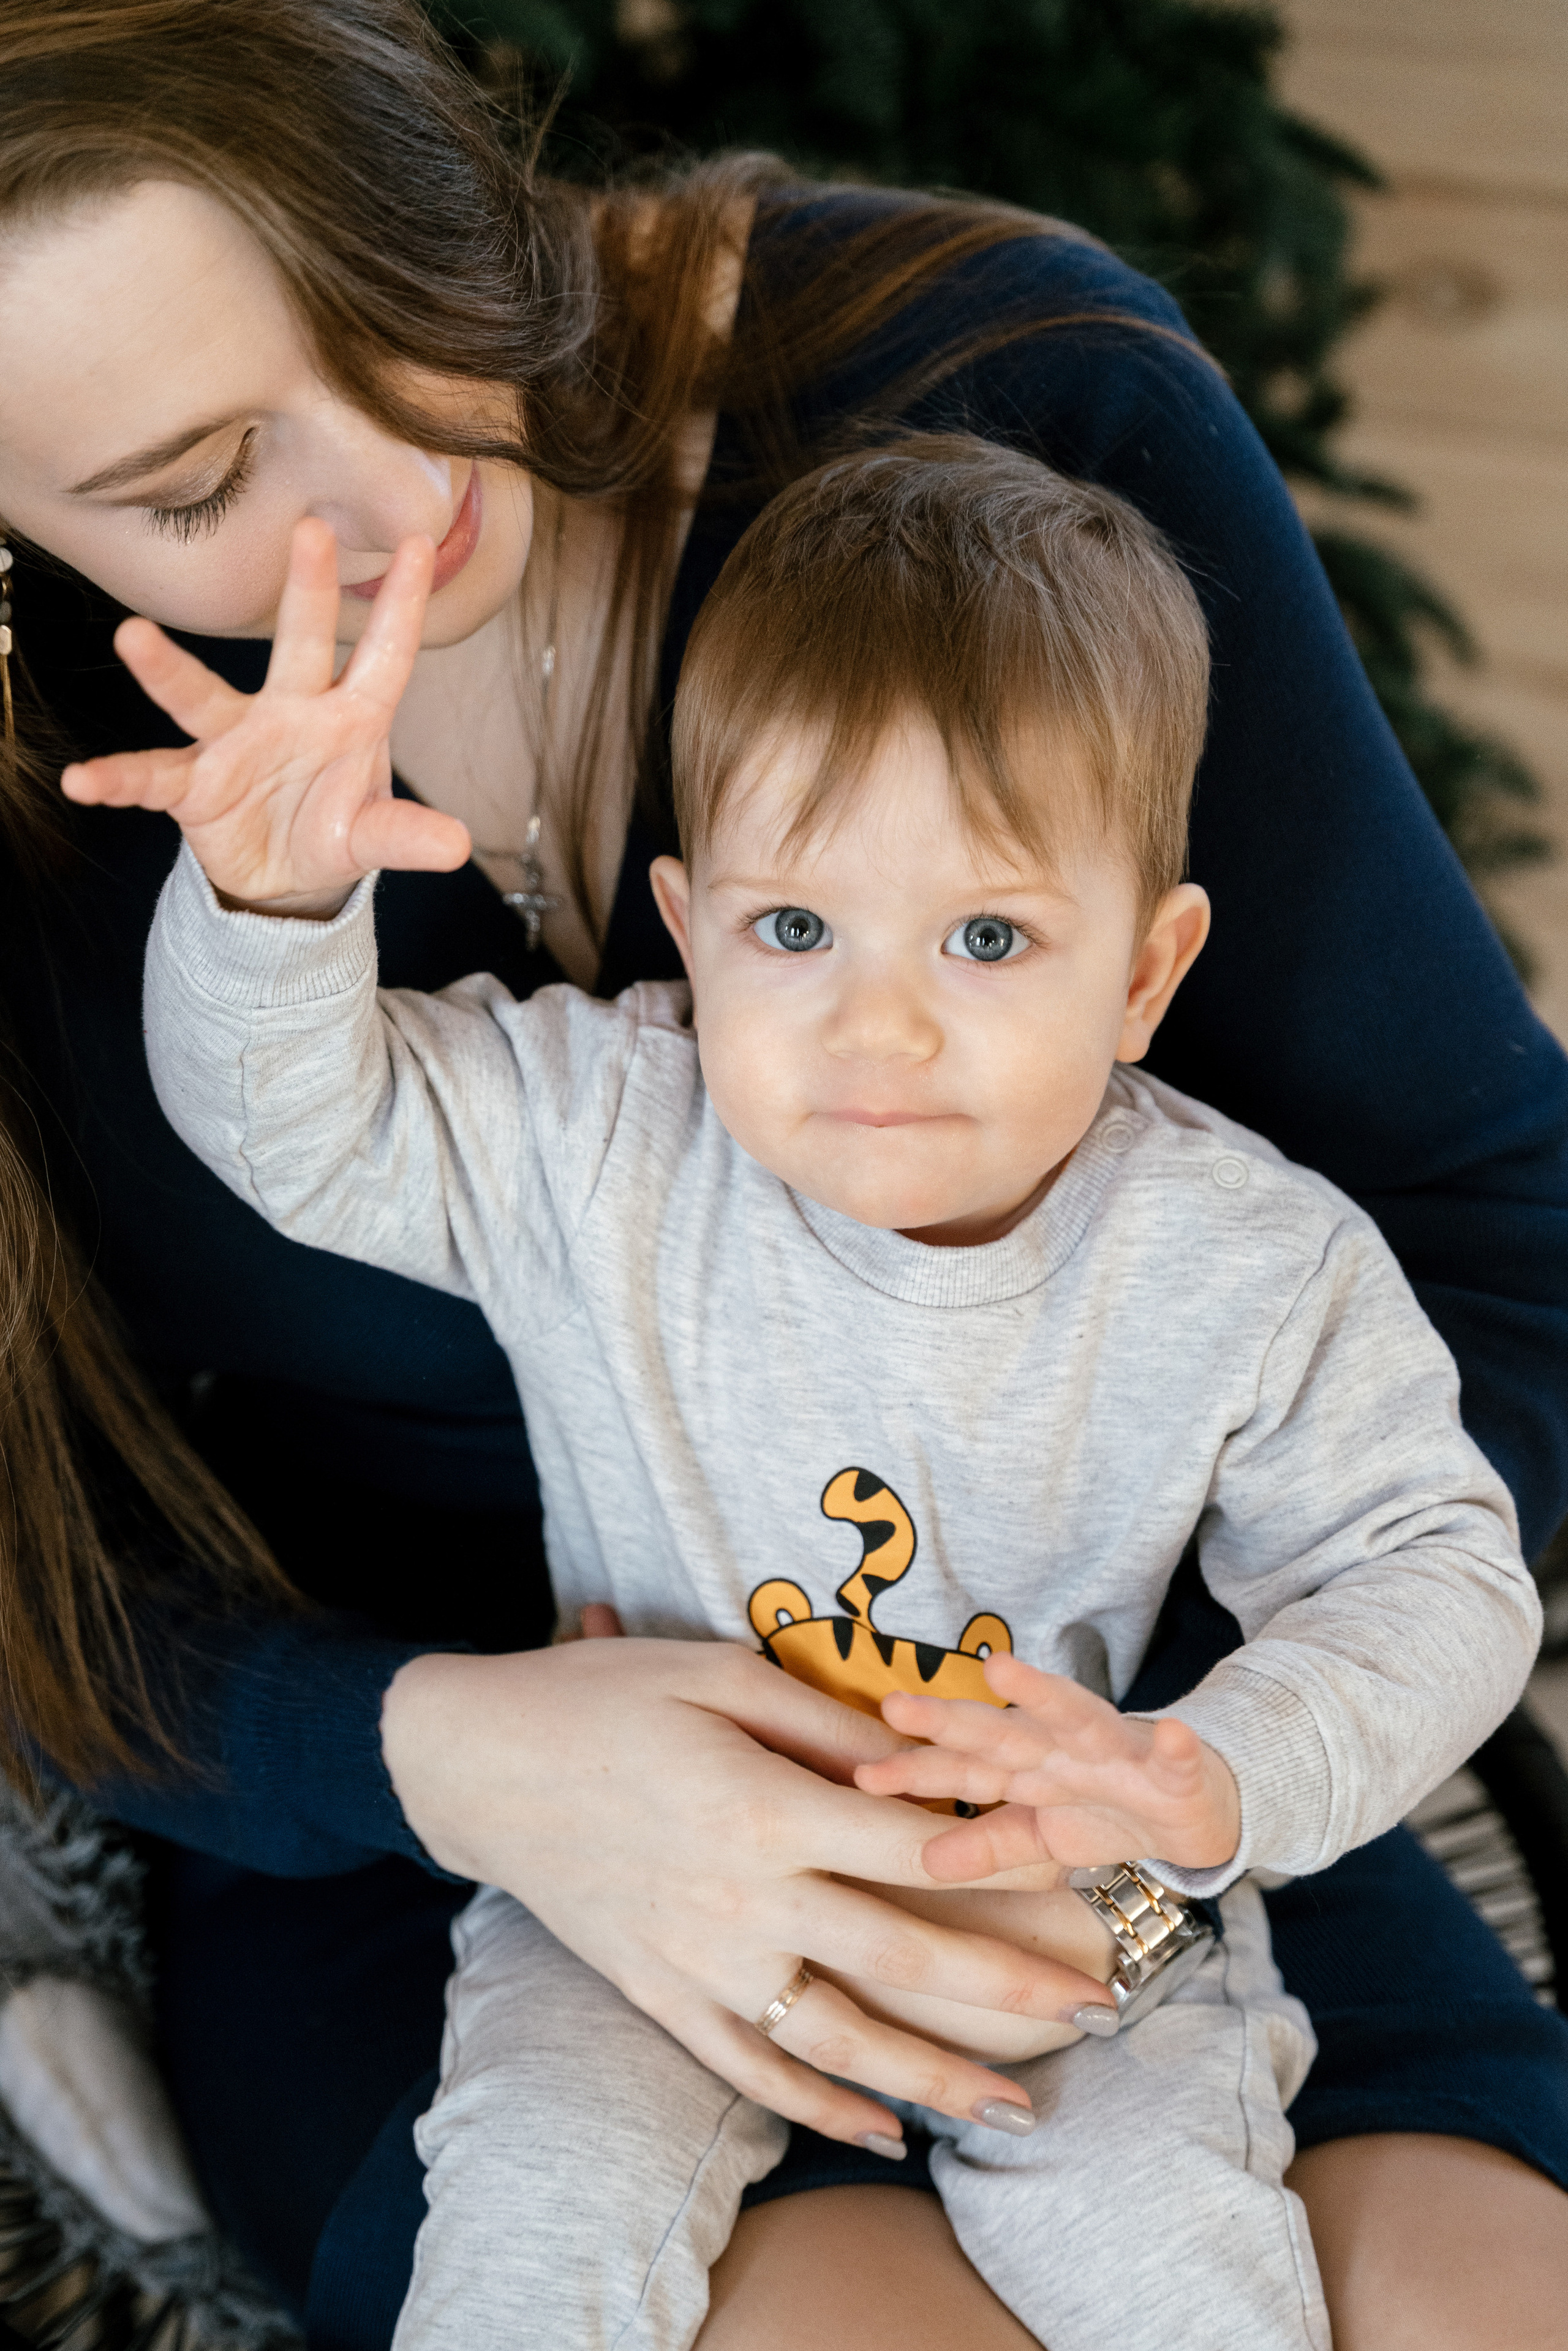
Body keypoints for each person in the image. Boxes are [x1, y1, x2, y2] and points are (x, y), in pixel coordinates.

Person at [1, 4, 1568, 2345]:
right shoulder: (201, 875)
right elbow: (108, 1453)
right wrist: (452, 1756)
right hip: (463, 1845)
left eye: (393, 306)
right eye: (202, 475)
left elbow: (1491, 1264)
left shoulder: (1022, 434)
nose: (397, 489)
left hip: (1106, 1753)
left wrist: (1144, 1829)